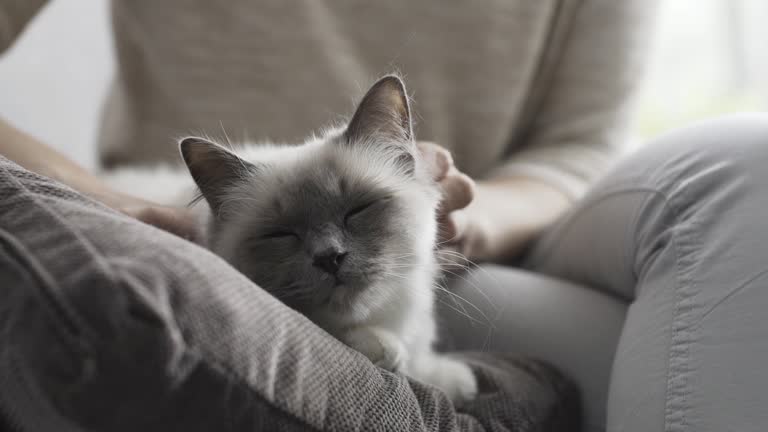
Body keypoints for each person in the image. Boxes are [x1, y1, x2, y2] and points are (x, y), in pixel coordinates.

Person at [3, 2, 768, 432]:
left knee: (751, 162)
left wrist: (453, 219)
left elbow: (576, 147)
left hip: (477, 234)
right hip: (193, 220)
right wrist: (114, 203)